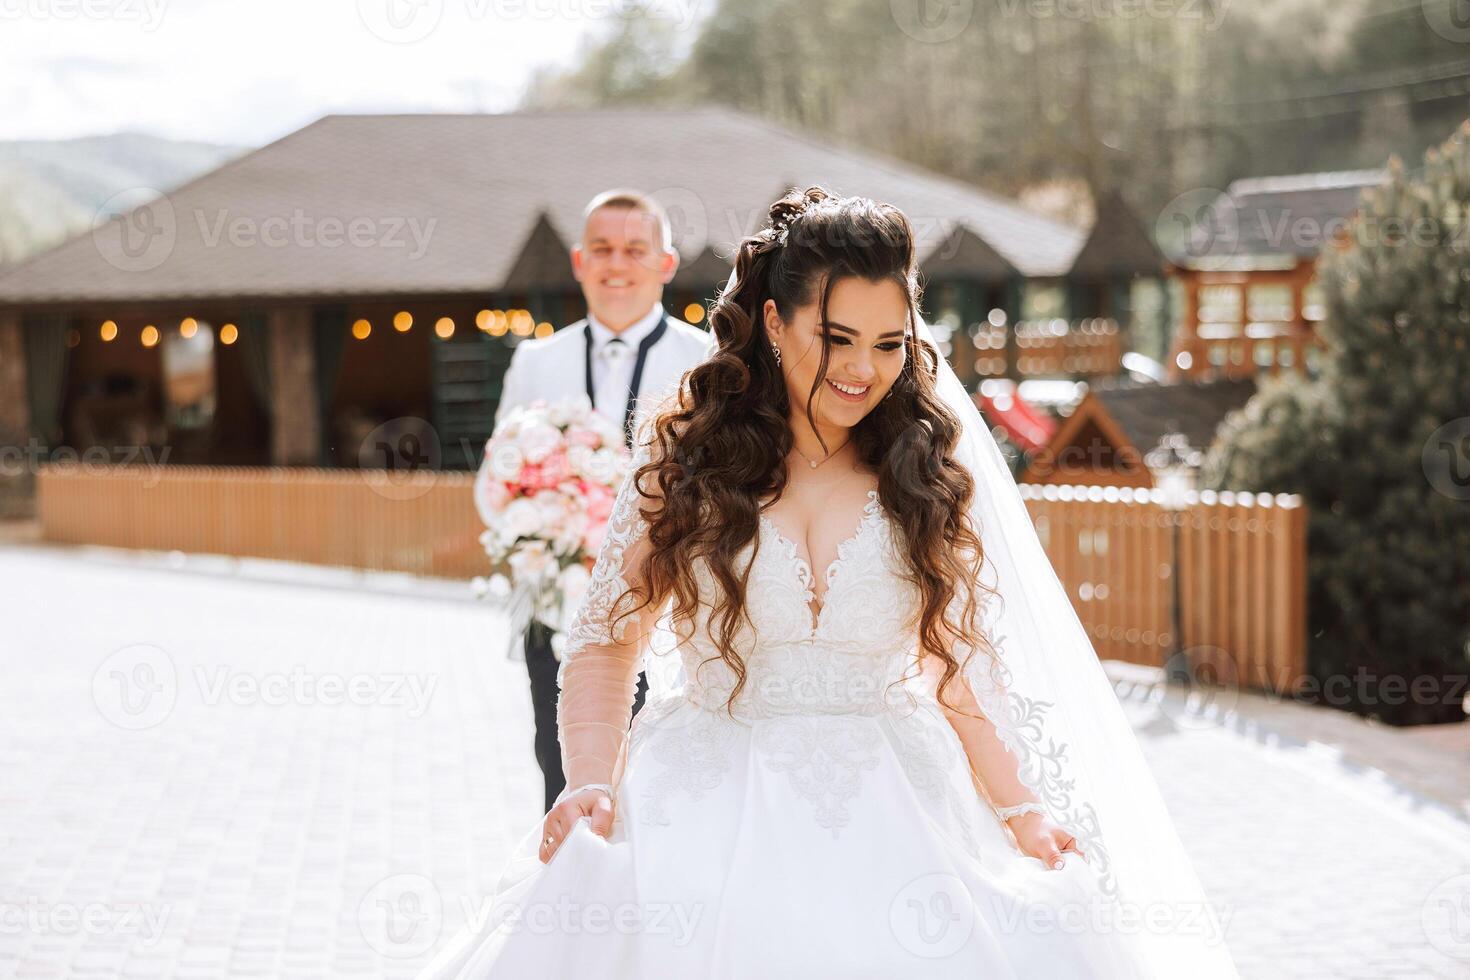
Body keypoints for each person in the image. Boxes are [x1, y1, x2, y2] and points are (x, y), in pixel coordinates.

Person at [425, 188, 1239, 978]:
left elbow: (956, 665)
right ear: (775, 321)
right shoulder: (685, 453)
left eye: (889, 344)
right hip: (703, 793)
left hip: (900, 808)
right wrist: (591, 783)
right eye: (837, 337)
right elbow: (607, 642)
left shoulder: (924, 465)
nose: (862, 370)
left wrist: (1025, 814)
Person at [491, 189, 713, 814]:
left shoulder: (709, 360)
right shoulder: (536, 360)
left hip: (668, 605)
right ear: (579, 260)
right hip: (555, 600)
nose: (617, 264)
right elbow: (501, 474)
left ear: (666, 264)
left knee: (656, 764)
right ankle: (566, 894)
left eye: (635, 250)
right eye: (603, 249)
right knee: (558, 760)